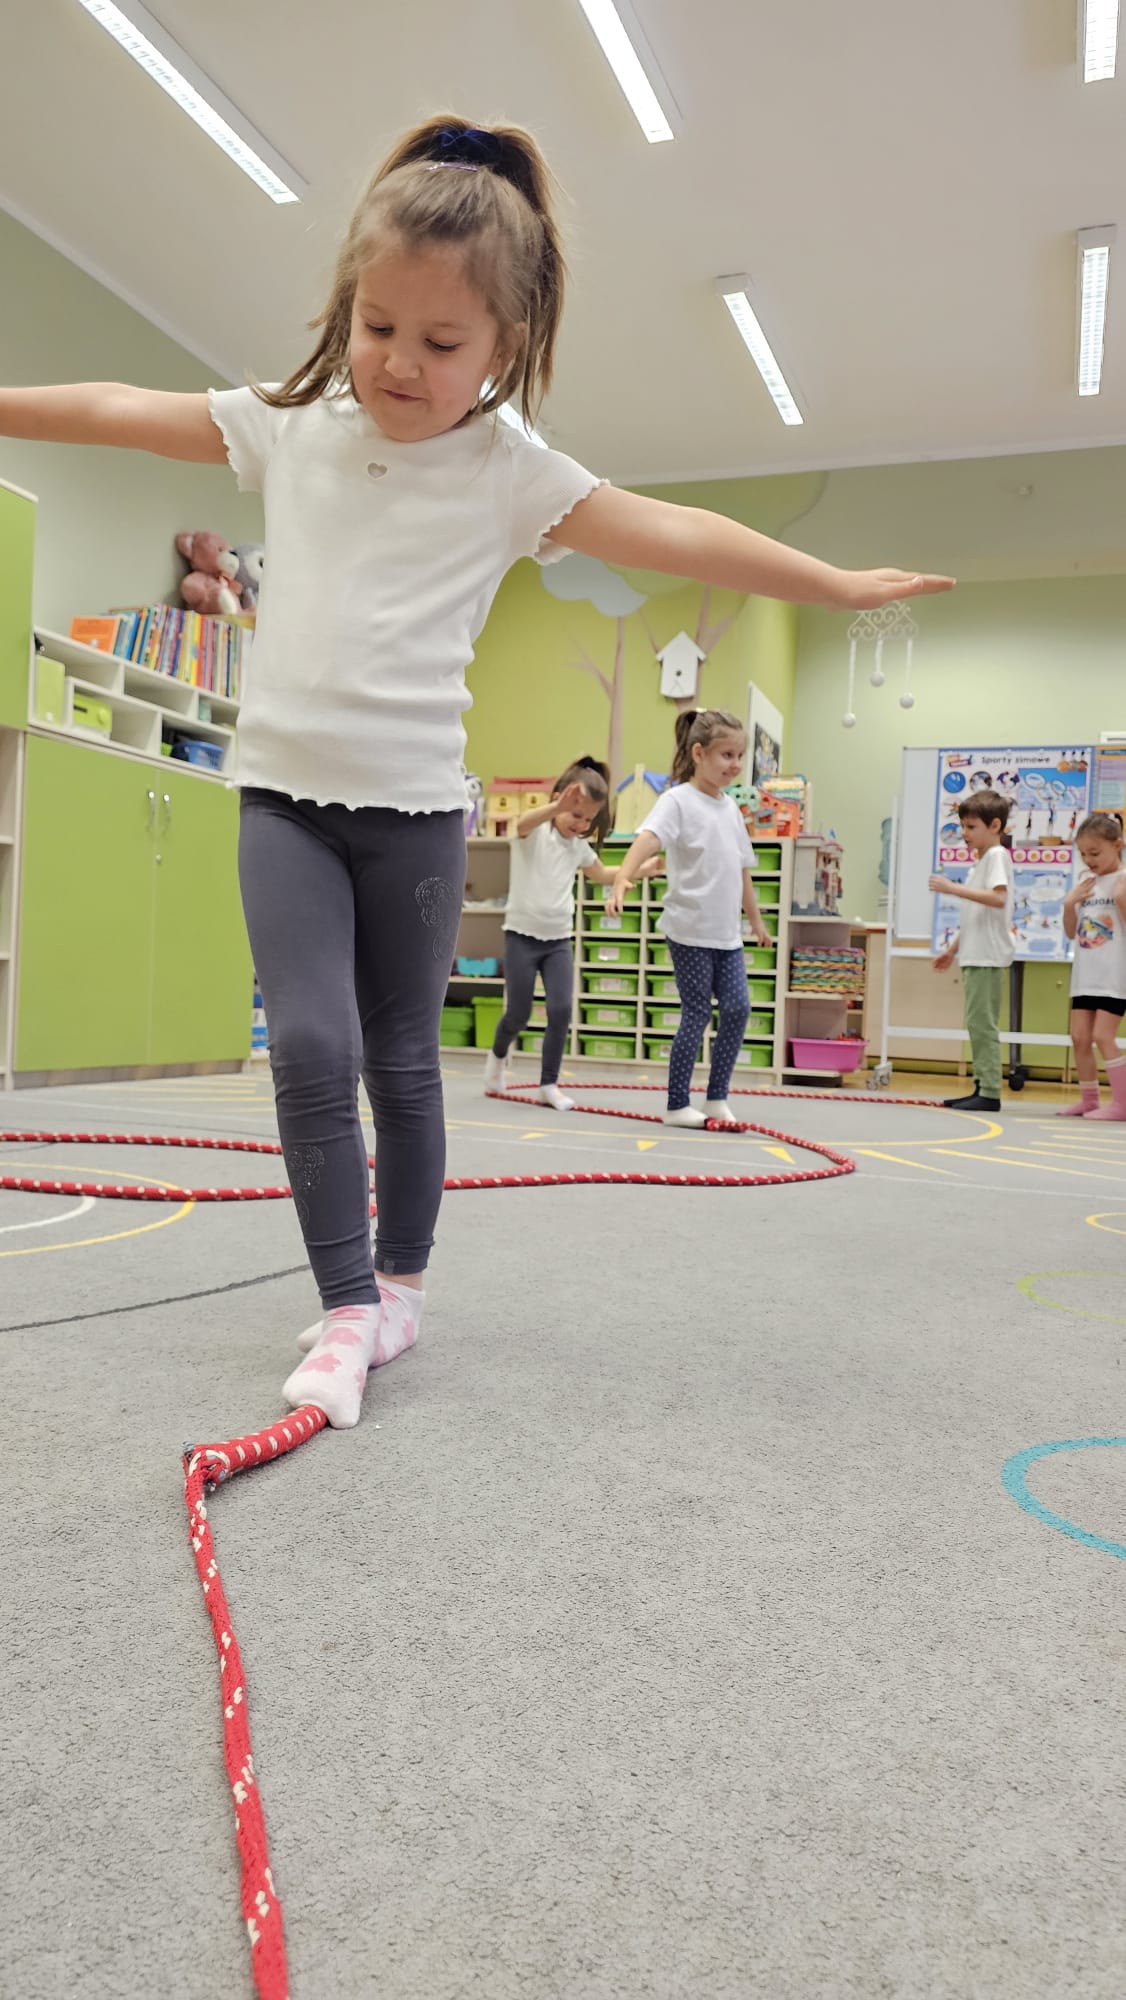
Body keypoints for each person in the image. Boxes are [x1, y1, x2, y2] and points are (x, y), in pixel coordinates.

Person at [0, 115, 953, 1430]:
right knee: (311, 1045)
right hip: (281, 801)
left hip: (413, 816)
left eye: (442, 342)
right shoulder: (290, 425)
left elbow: (673, 528)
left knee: (402, 1057)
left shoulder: (513, 475)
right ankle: (346, 1306)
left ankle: (399, 1286)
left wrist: (832, 583)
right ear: (347, 305)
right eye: (377, 325)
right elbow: (121, 409)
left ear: (505, 344)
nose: (400, 361)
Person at [607, 710, 770, 1127]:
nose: (735, 764)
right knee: (697, 1014)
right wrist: (623, 876)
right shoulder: (677, 800)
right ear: (699, 753)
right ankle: (677, 1104)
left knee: (737, 1009)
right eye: (726, 755)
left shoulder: (731, 809)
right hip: (689, 931)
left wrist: (755, 920)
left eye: (739, 756)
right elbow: (649, 839)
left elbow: (742, 870)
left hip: (726, 935)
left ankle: (716, 1098)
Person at [485, 757, 656, 1110]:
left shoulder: (578, 847)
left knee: (561, 1009)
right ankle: (497, 1057)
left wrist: (640, 869)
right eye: (575, 815)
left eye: (588, 820)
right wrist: (554, 809)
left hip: (558, 942)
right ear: (558, 800)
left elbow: (603, 874)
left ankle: (548, 1084)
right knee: (518, 1013)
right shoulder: (535, 835)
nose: (580, 825)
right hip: (521, 937)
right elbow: (521, 822)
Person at [929, 789, 1015, 1111]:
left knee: (982, 1024)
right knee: (976, 1023)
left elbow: (998, 898)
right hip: (975, 953)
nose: (964, 833)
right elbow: (976, 915)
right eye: (963, 826)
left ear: (995, 826)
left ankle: (989, 1091)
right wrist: (953, 950)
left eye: (971, 827)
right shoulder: (981, 862)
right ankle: (981, 1085)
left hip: (988, 956)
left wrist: (953, 888)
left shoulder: (996, 856)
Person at [1058, 811, 1126, 1119]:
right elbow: (1071, 932)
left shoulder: (1123, 881)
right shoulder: (1085, 883)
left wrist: (1121, 899)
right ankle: (1089, 1100)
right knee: (1080, 1037)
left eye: (1095, 853)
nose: (1088, 860)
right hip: (1086, 972)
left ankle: (1122, 1103)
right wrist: (1068, 903)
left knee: (1103, 1036)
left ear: (1117, 845)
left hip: (1114, 974)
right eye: (1083, 854)